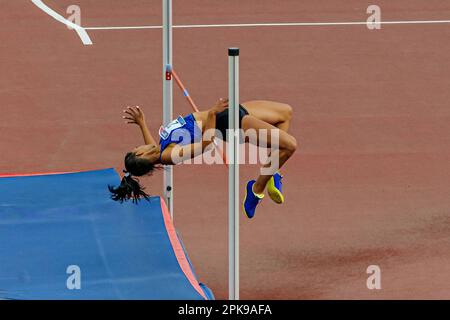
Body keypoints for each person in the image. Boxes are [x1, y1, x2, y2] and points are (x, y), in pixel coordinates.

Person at [109, 99, 297, 218]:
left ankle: (272, 171)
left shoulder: (158, 150)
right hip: (227, 124)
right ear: (139, 154)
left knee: (285, 114)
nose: (138, 146)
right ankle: (256, 189)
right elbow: (207, 143)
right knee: (290, 146)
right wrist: (213, 114)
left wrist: (142, 124)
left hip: (226, 113)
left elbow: (152, 150)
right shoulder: (170, 156)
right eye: (136, 148)